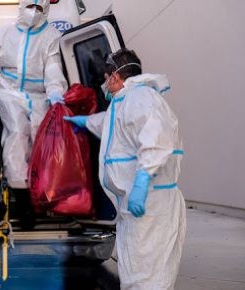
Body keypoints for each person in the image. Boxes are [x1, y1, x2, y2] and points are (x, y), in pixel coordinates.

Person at [64, 48, 186, 289]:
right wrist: (85, 122)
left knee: (148, 275)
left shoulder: (141, 98)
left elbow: (157, 140)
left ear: (115, 77)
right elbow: (115, 129)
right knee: (136, 271)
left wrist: (141, 182)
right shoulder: (125, 101)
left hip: (150, 205)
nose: (104, 83)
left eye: (105, 77)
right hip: (135, 208)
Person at [0, 0, 67, 229]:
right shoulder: (1, 35)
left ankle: (44, 200)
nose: (33, 13)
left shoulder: (51, 37)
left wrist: (55, 92)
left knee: (42, 144)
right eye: (30, 6)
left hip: (39, 95)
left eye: (39, 8)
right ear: (22, 5)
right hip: (10, 93)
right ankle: (24, 207)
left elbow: (53, 68)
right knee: (17, 137)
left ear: (46, 10)